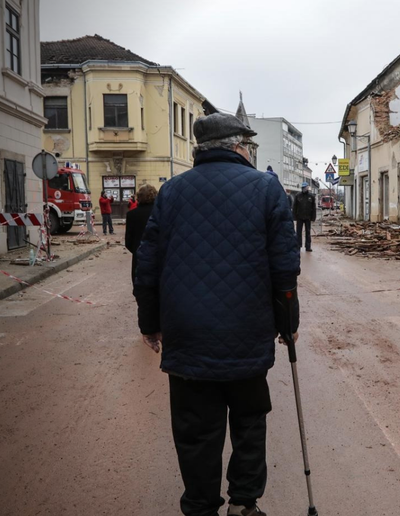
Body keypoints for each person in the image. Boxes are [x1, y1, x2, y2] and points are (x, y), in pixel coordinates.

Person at [133, 112, 300, 516]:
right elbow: (284, 266)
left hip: (187, 335)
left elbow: (146, 264)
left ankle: (200, 507)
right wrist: (287, 324)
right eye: (247, 144)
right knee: (249, 423)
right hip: (247, 332)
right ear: (238, 146)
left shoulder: (172, 191)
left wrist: (150, 324)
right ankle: (243, 504)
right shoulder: (266, 187)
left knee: (195, 433)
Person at [124, 185, 157, 281]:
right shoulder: (160, 213)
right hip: (157, 257)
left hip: (139, 257)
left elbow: (128, 241)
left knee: (139, 285)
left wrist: (136, 250)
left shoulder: (131, 214)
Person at [292, 182, 316, 252]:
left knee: (308, 232)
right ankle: (298, 246)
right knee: (298, 232)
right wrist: (294, 216)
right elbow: (294, 207)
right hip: (299, 217)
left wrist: (313, 217)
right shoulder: (298, 196)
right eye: (303, 187)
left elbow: (313, 208)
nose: (304, 189)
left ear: (307, 188)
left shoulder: (311, 196)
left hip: (308, 217)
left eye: (305, 187)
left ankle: (308, 246)